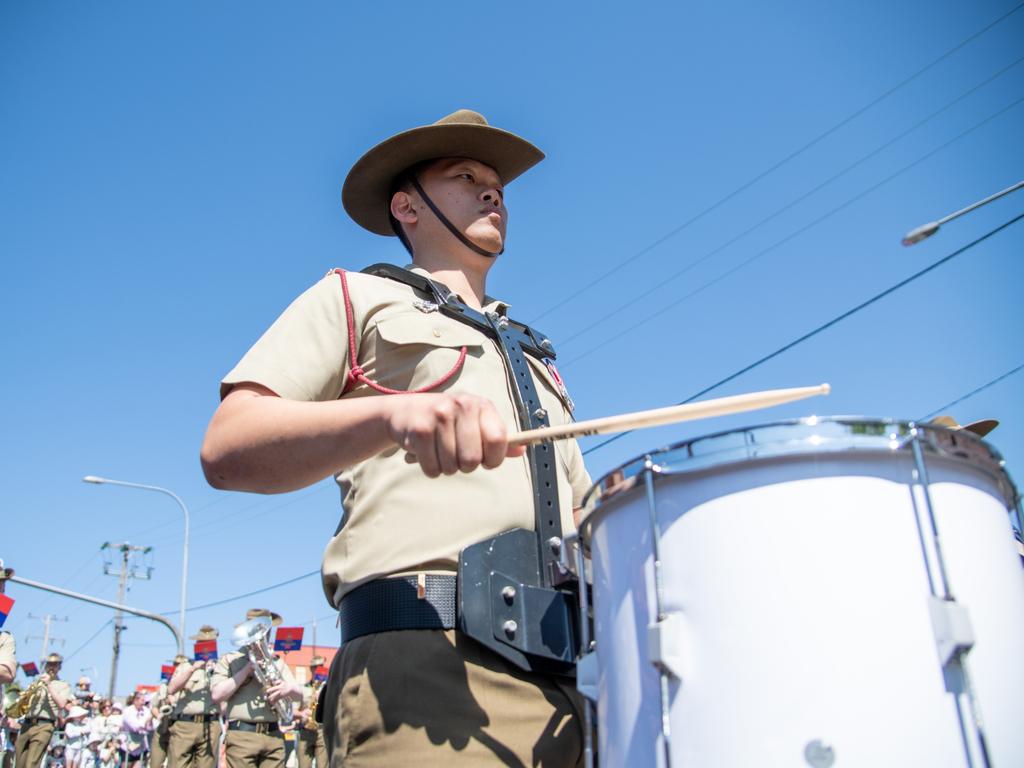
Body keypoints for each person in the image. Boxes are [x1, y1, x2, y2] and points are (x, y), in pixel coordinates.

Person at [201, 109, 590, 766]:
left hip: (567, 685)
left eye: (497, 182)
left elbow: (581, 520)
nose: (493, 191)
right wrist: (392, 416)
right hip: (427, 664)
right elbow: (228, 446)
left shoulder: (535, 355)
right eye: (465, 176)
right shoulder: (355, 297)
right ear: (406, 206)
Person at [210, 610, 302, 768]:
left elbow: (299, 695)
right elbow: (217, 695)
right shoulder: (231, 660)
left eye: (267, 631)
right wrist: (246, 671)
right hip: (242, 736)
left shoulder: (277, 662)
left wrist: (288, 688)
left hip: (274, 736)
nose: (265, 636)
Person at [166, 635, 220, 768]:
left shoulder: (220, 666)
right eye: (202, 643)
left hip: (210, 724)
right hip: (186, 724)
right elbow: (171, 689)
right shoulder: (185, 666)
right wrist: (193, 668)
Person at [15, 653, 71, 768]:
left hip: (44, 725)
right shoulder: (37, 682)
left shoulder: (63, 685)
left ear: (59, 667)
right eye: (49, 664)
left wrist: (49, 684)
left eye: (54, 665)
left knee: (31, 764)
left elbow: (62, 703)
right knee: (19, 764)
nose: (51, 667)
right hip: (27, 723)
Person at [292, 658, 325, 768]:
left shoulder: (326, 688)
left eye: (321, 666)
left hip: (321, 731)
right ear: (311, 669)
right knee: (303, 765)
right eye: (315, 667)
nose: (318, 669)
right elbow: (293, 711)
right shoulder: (303, 688)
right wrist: (302, 715)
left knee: (323, 765)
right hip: (305, 731)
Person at [121, 692, 153, 768]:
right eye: (142, 700)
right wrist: (146, 722)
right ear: (135, 700)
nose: (143, 702)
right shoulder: (128, 711)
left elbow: (151, 727)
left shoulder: (146, 710)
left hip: (141, 747)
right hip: (128, 746)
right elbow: (134, 726)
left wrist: (148, 722)